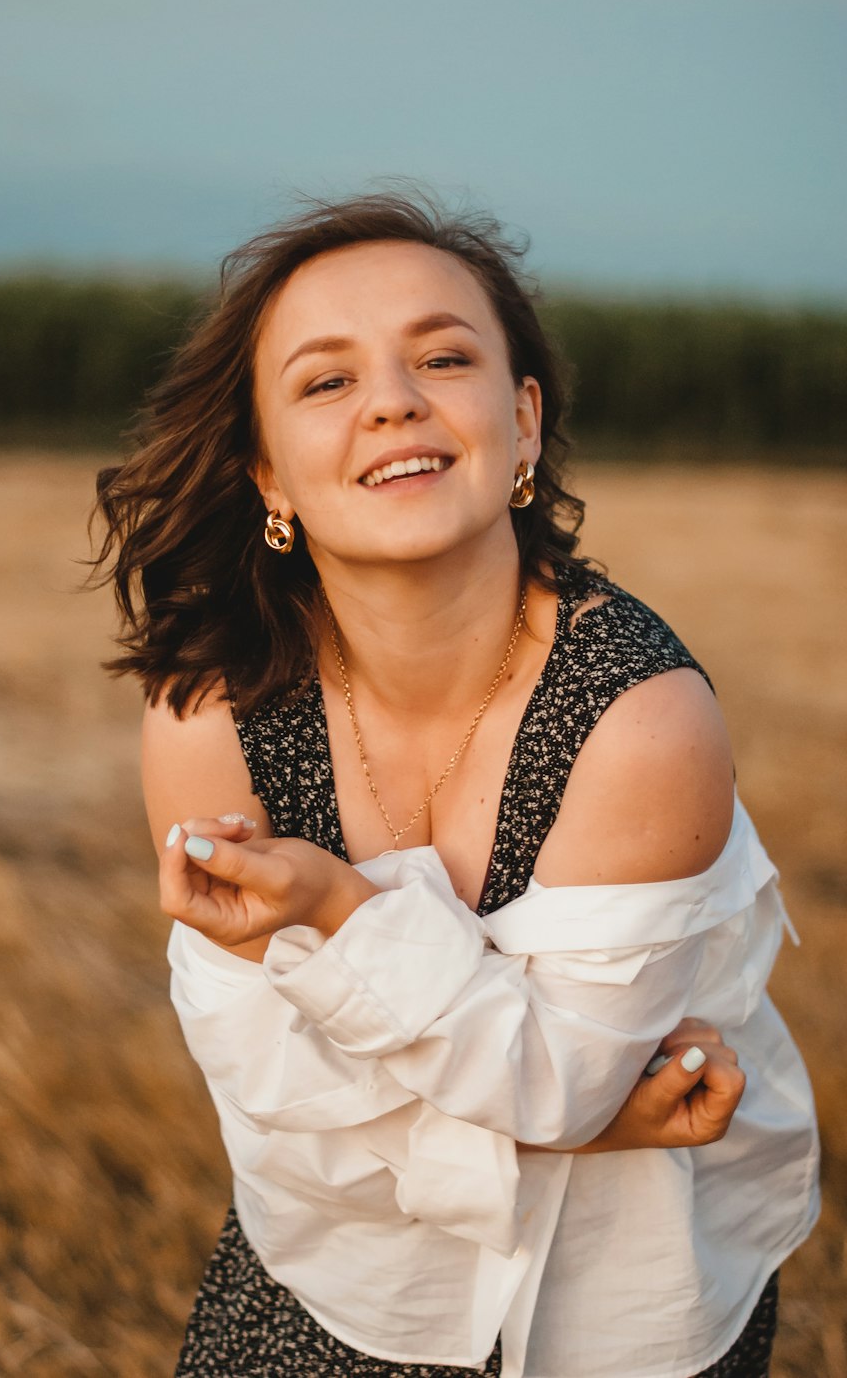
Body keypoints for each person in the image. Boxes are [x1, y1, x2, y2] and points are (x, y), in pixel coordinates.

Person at [89, 190, 819, 1378]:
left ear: (522, 423)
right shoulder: (210, 714)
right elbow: (275, 1105)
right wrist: (577, 1135)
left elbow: (558, 1082)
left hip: (616, 1302)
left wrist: (337, 913)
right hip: (334, 1287)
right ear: (267, 473)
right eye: (327, 381)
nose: (392, 399)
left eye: (442, 355)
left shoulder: (638, 719)